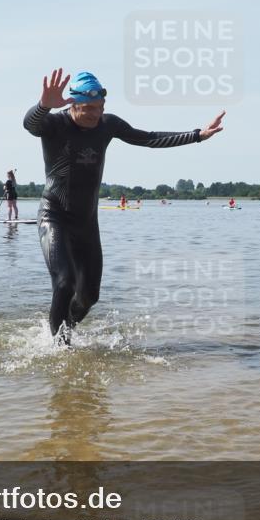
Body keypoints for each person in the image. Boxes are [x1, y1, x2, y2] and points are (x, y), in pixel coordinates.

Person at [24, 68, 224, 341]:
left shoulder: (108, 125)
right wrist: (44, 105)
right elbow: (30, 125)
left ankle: (65, 328)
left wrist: (197, 135)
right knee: (65, 282)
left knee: (89, 296)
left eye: (101, 107)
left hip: (86, 223)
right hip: (54, 216)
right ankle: (59, 348)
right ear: (73, 104)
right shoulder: (55, 124)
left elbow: (149, 138)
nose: (97, 114)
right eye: (90, 108)